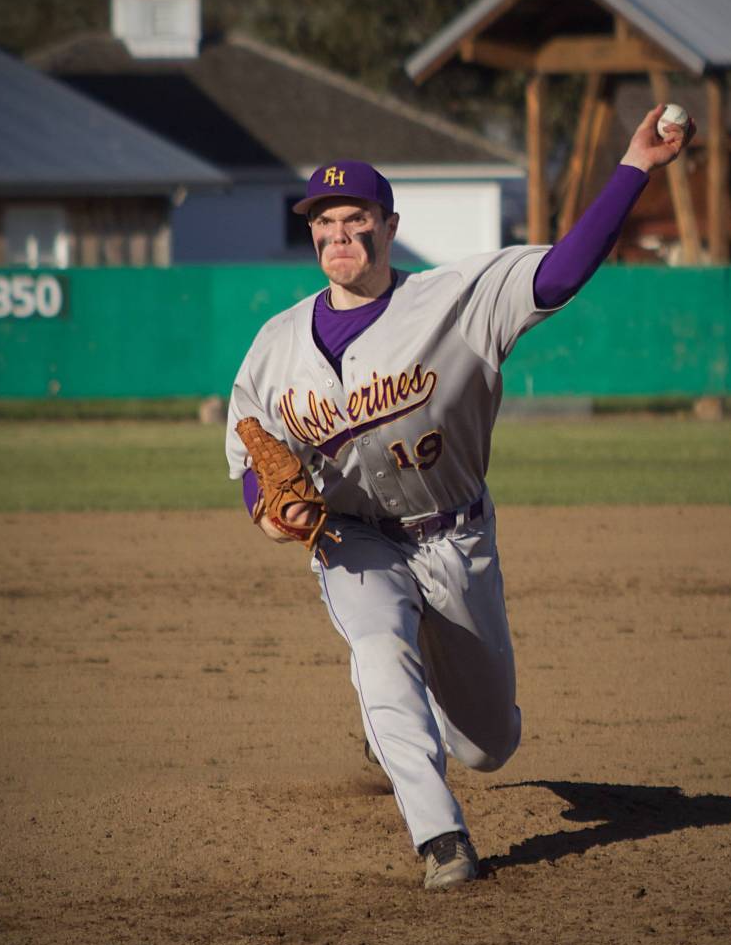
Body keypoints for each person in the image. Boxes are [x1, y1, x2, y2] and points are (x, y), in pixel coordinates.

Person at [226, 105, 693, 890]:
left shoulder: (457, 298)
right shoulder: (276, 344)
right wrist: (271, 508)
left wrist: (634, 169)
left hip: (454, 536)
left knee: (488, 743)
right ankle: (439, 835)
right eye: (325, 221)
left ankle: (400, 722)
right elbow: (252, 450)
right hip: (353, 538)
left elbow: (562, 271)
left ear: (388, 224)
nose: (339, 235)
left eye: (356, 218)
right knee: (378, 648)